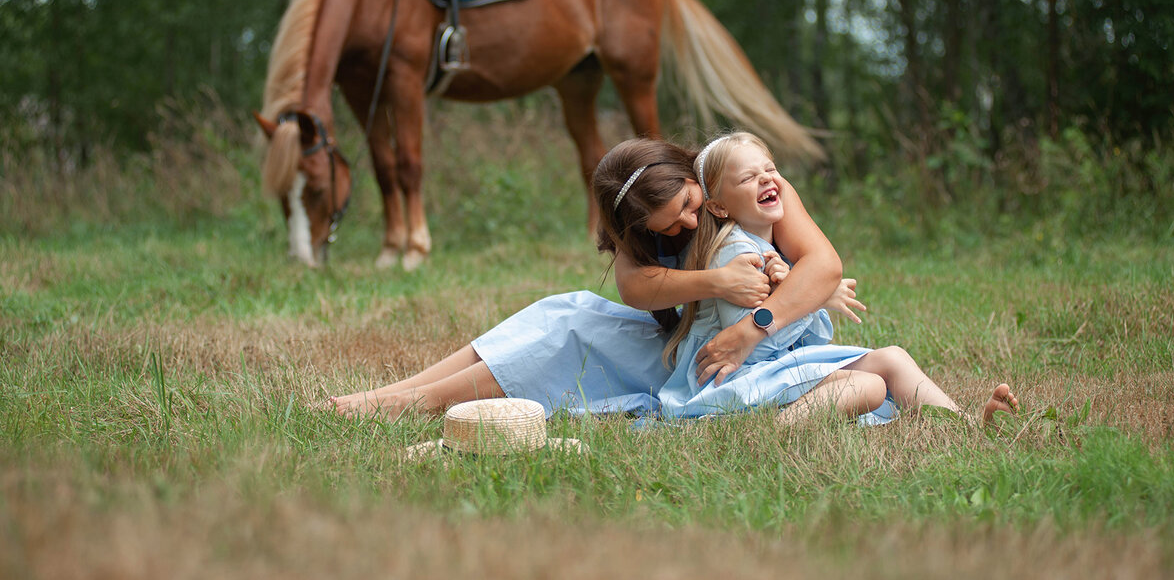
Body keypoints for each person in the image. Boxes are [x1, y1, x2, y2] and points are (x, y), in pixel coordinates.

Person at [328, 135, 845, 418]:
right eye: (672, 225)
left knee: (566, 335)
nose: (689, 223)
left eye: (690, 206)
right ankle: (394, 392)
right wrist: (716, 283)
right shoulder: (644, 216)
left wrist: (752, 323)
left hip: (726, 351)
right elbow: (636, 288)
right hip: (682, 334)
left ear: (693, 178)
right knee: (562, 310)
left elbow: (823, 266)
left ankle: (412, 403)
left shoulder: (744, 182)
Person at [656, 132, 1019, 427]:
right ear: (719, 206)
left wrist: (798, 293)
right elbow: (751, 347)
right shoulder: (736, 253)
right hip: (737, 381)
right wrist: (798, 297)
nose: (767, 178)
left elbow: (813, 337)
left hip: (771, 371)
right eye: (748, 178)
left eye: (770, 169)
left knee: (891, 358)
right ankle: (774, 428)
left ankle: (965, 426)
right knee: (868, 386)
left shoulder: (771, 246)